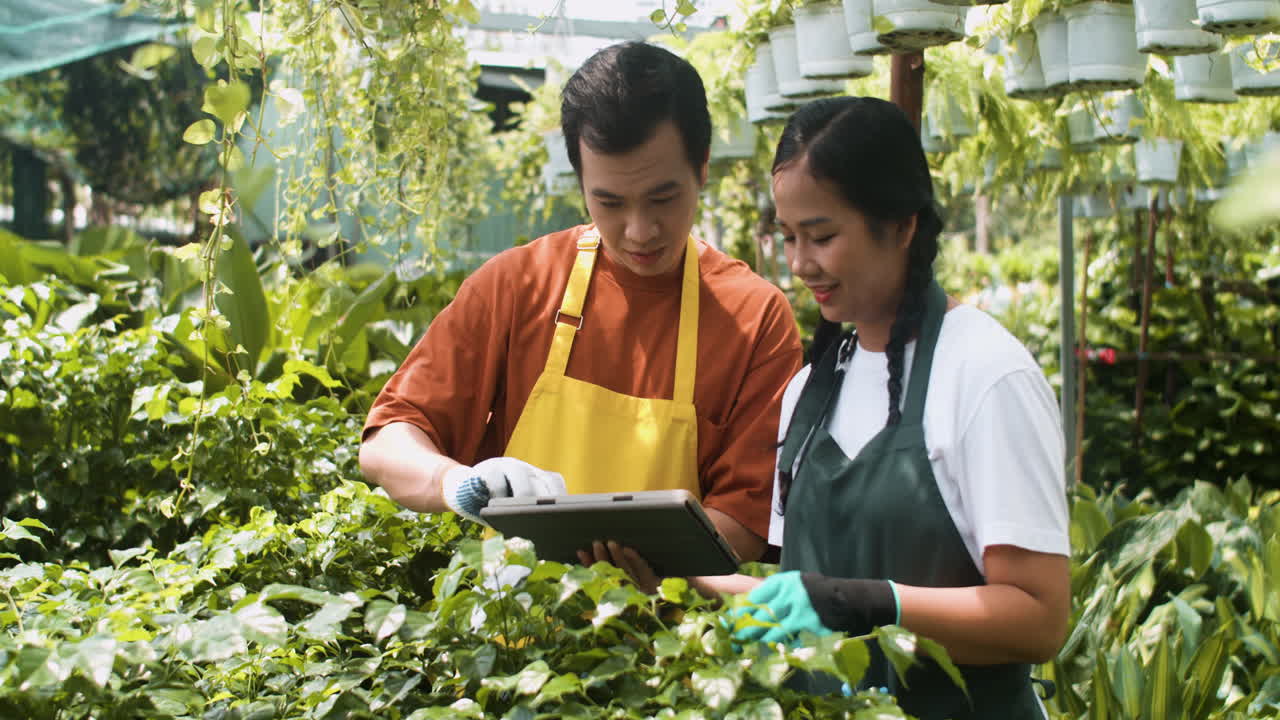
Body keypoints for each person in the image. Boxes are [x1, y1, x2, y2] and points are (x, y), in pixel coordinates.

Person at [358, 41, 804, 564]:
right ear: (581, 182)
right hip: (512, 610)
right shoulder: (516, 284)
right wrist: (456, 482)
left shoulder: (755, 318)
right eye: (609, 202)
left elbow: (746, 520)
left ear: (702, 168)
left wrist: (640, 568)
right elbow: (387, 442)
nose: (639, 231)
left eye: (663, 198)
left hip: (671, 613)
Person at [719, 97, 1071, 718]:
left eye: (822, 236)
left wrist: (869, 603)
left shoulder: (986, 374)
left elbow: (1039, 619)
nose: (800, 264)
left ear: (903, 226)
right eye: (789, 237)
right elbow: (802, 595)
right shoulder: (810, 392)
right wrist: (663, 574)